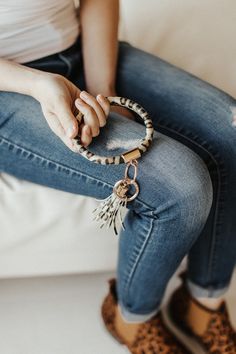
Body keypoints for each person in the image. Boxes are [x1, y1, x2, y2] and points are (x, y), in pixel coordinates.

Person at [0, 0, 235, 353]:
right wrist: (38, 84)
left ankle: (203, 303)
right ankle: (132, 317)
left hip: (77, 51)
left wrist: (103, 89)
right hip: (10, 89)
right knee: (180, 188)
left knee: (230, 136)